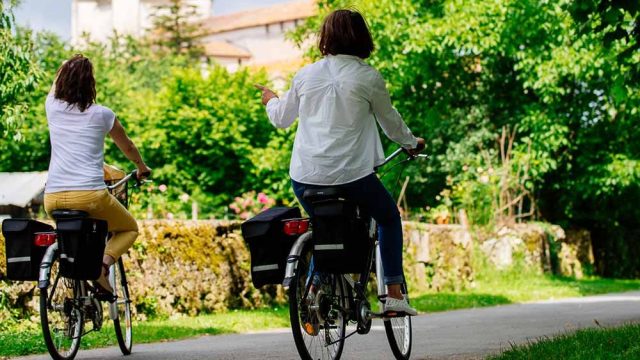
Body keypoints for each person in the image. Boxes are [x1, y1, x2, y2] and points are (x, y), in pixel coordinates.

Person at [256, 9, 425, 315]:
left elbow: (281, 119)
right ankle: (395, 293)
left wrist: (271, 100)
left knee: (325, 227)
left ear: (325, 38)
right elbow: (391, 122)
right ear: (362, 38)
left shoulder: (305, 75)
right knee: (388, 218)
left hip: (305, 176)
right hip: (353, 175)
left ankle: (316, 288)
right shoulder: (368, 76)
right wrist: (412, 144)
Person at [43, 54, 151, 294]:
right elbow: (128, 147)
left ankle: (75, 299)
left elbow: (55, 82)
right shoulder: (103, 114)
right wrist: (141, 168)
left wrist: (67, 64)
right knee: (130, 228)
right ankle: (101, 266)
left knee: (73, 237)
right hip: (90, 196)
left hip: (52, 198)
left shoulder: (52, 106)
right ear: (90, 83)